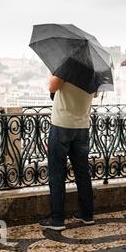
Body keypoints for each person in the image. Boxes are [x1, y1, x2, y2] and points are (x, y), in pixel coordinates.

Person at [39, 74, 97, 230]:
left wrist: (53, 74)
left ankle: (57, 218)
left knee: (57, 172)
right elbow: (95, 94)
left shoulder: (67, 66)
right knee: (82, 172)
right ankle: (87, 214)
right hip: (82, 126)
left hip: (62, 124)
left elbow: (52, 87)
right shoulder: (94, 70)